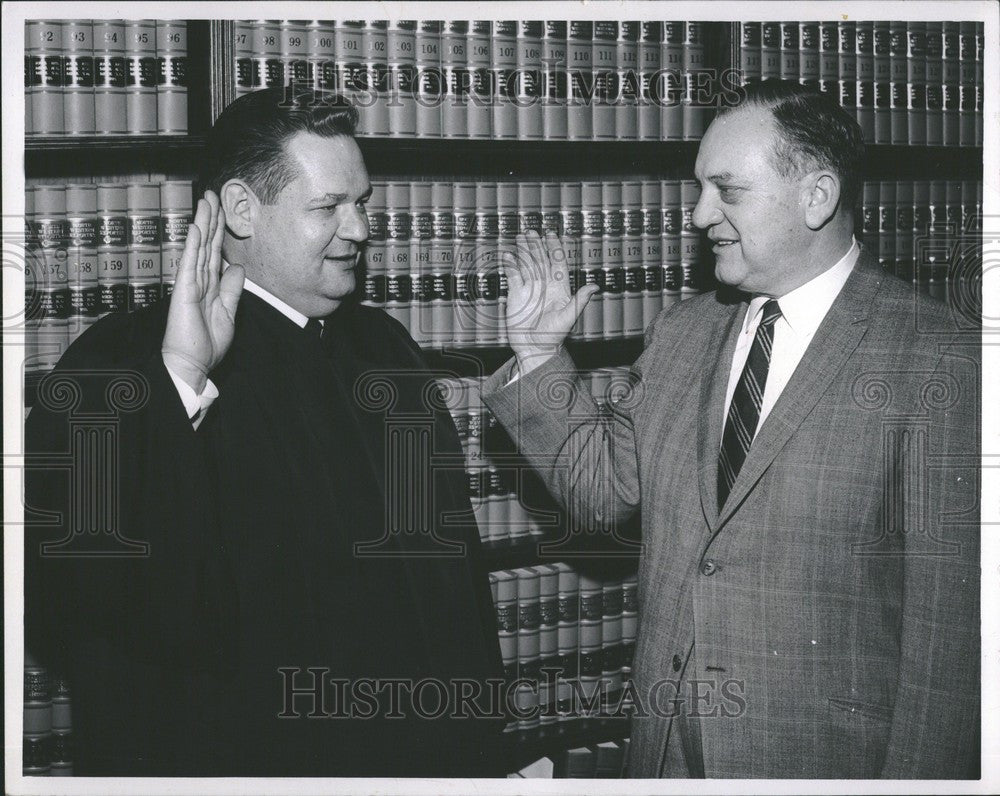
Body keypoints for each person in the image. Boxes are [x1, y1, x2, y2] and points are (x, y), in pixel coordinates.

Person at [482, 80, 979, 778]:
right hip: (664, 758)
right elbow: (601, 497)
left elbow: (949, 646)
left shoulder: (941, 356)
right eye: (699, 188)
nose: (697, 213)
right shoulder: (684, 332)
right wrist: (538, 355)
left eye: (726, 190)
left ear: (817, 196)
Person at [25, 87, 504, 777]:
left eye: (361, 202)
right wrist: (181, 379)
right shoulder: (124, 359)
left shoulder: (384, 347)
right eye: (327, 207)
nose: (360, 230)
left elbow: (452, 581)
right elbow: (85, 589)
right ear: (243, 210)